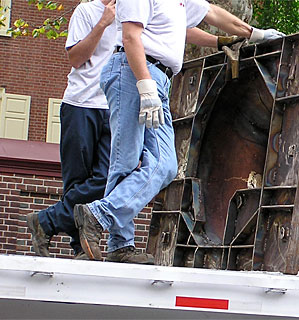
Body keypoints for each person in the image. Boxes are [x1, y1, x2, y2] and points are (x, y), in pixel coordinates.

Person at [73, 0, 285, 264]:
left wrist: (251, 34)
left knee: (149, 165)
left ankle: (108, 229)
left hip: (157, 78)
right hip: (134, 72)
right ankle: (110, 231)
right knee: (141, 162)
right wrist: (145, 85)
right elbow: (130, 36)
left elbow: (210, 16)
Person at [26, 0, 116, 259]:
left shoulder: (133, 15)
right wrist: (102, 24)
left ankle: (45, 222)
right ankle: (81, 248)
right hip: (80, 105)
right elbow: (76, 58)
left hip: (113, 106)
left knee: (107, 178)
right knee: (76, 182)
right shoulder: (86, 11)